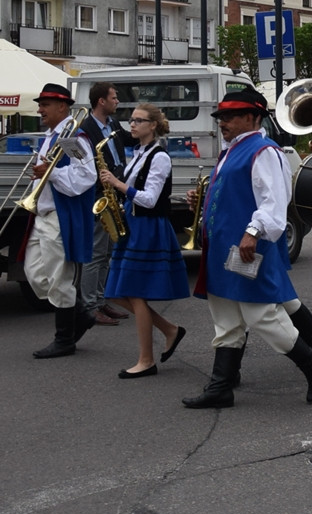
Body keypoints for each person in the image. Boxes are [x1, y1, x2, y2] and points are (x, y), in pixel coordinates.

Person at [182, 88, 312, 408]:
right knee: (226, 319)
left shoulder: (264, 151)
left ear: (253, 117)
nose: (223, 123)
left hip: (246, 248)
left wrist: (252, 232)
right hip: (222, 249)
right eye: (221, 117)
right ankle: (220, 386)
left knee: (261, 314)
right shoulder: (232, 150)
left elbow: (274, 203)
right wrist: (203, 201)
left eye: (230, 117)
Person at [99, 104, 189, 378]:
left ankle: (146, 360)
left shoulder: (160, 156)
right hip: (133, 224)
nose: (133, 124)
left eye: (139, 120)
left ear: (153, 125)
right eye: (132, 120)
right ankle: (169, 329)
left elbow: (150, 199)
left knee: (134, 292)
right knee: (115, 291)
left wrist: (117, 184)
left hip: (149, 227)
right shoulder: (139, 152)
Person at [23, 84, 98, 359]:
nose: (40, 109)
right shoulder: (50, 136)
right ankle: (79, 314)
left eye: (45, 104)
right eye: (40, 103)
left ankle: (64, 339)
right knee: (35, 274)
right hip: (42, 212)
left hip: (59, 215)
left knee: (59, 278)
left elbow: (86, 177)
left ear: (63, 107)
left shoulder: (72, 139)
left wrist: (51, 174)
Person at [79, 82, 136, 327]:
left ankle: (101, 299)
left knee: (108, 253)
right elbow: (82, 164)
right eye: (114, 98)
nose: (117, 101)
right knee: (95, 253)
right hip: (98, 195)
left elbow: (126, 140)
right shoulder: (84, 128)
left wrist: (147, 127)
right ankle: (89, 306)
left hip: (114, 191)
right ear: (101, 101)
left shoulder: (112, 124)